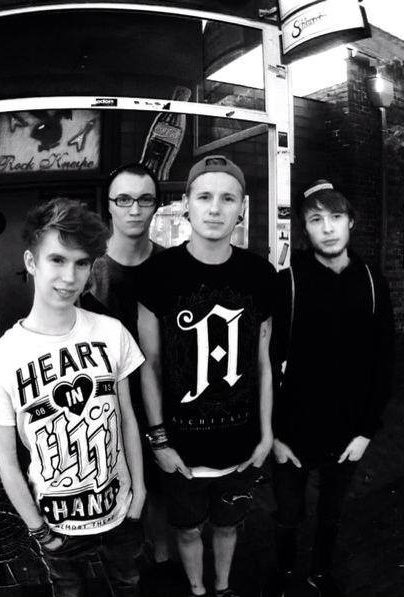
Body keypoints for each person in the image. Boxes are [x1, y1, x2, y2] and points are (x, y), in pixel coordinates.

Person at [0, 198, 147, 597]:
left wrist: (139, 493)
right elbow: (6, 460)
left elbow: (127, 419)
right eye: (57, 260)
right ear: (31, 262)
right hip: (56, 528)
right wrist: (39, 531)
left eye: (81, 263)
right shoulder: (0, 359)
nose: (70, 277)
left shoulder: (111, 332)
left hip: (121, 513)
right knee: (68, 591)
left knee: (129, 584)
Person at [136, 155, 276, 597]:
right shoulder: (157, 275)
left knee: (229, 526)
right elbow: (149, 365)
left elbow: (263, 362)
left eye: (227, 198)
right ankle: (197, 589)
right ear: (186, 205)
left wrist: (267, 435)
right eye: (204, 197)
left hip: (241, 445)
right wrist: (160, 442)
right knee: (187, 529)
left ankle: (222, 588)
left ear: (241, 209)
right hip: (181, 448)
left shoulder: (260, 275)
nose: (215, 208)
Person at [267, 180, 394, 597]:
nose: (328, 228)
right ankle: (283, 574)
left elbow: (384, 361)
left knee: (331, 513)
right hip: (292, 434)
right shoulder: (289, 282)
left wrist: (366, 431)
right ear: (305, 228)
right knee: (288, 514)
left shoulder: (372, 281)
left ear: (350, 221)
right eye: (316, 219)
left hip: (348, 433)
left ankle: (320, 573)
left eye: (336, 217)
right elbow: (266, 363)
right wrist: (274, 435)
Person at [83, 162, 175, 573]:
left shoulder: (171, 267)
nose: (134, 209)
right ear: (109, 206)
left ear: (157, 205)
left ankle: (164, 562)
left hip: (162, 399)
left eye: (144, 199)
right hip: (105, 403)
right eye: (123, 199)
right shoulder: (87, 270)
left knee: (162, 491)